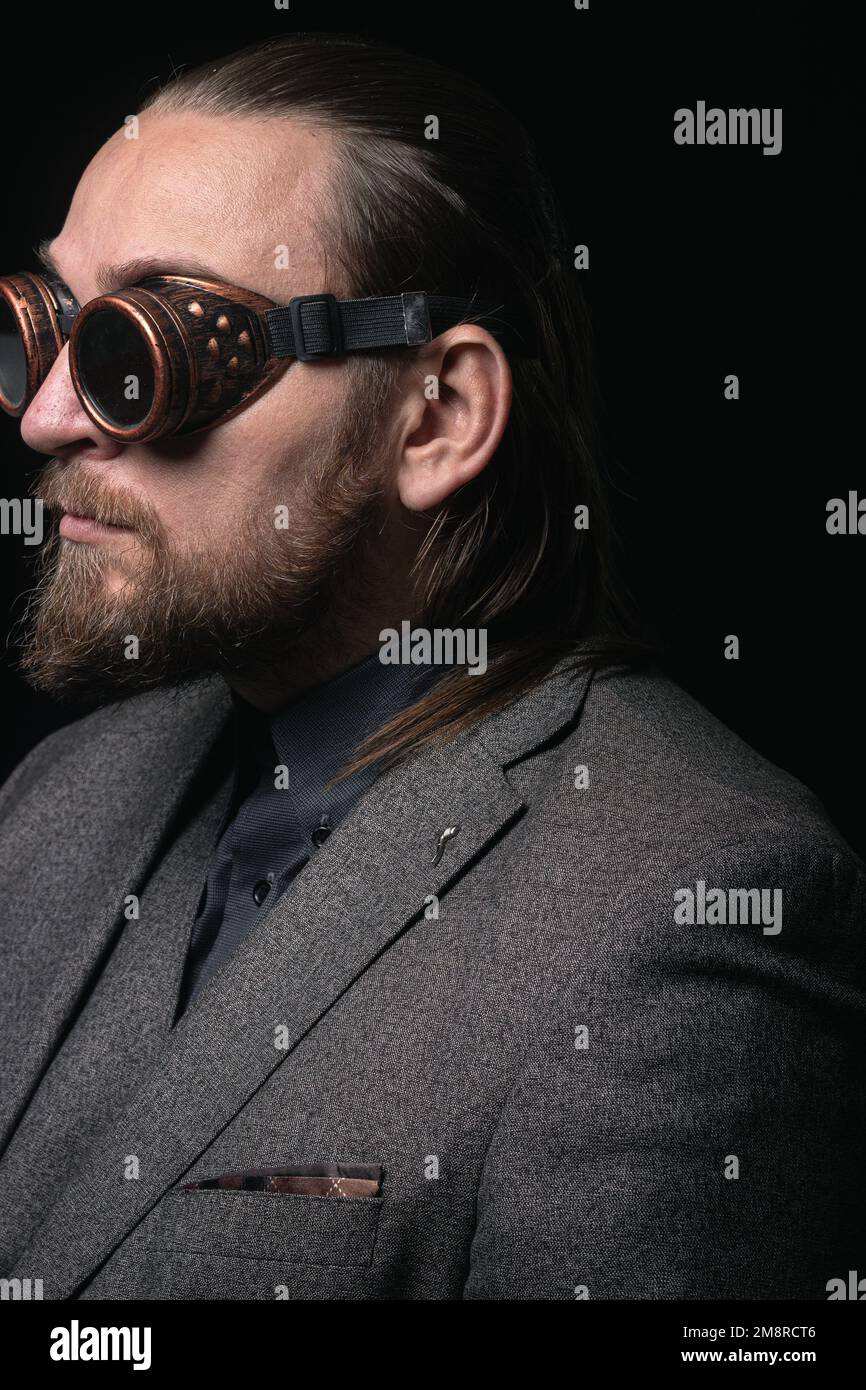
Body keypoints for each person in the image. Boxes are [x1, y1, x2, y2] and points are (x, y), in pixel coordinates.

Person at [0, 33, 862, 1301]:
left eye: (149, 347)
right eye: (49, 325)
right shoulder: (62, 796)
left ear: (436, 417)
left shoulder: (684, 909)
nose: (50, 416)